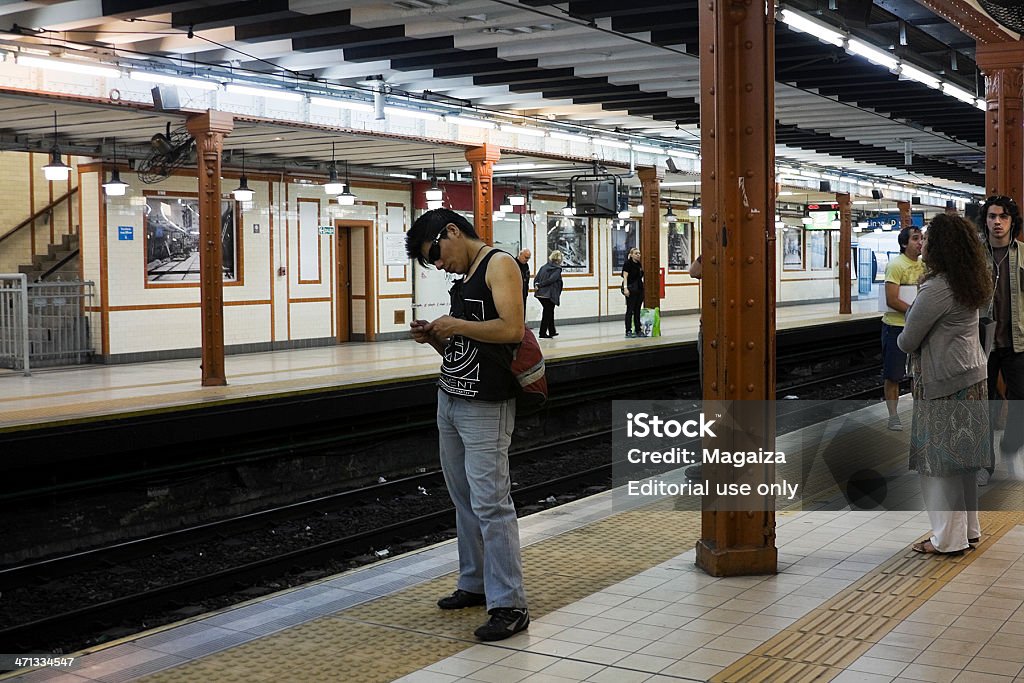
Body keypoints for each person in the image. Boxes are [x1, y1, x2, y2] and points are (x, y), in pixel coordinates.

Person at [404, 208, 529, 641]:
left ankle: (510, 603)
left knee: (492, 503)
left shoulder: (500, 264)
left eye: (436, 254)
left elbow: (512, 328)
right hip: (451, 396)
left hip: (486, 404)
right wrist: (437, 337)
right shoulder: (464, 277)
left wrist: (456, 323)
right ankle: (475, 583)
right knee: (463, 498)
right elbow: (464, 350)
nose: (439, 265)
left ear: (452, 232)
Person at [898, 214, 991, 555]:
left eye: (926, 240)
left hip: (944, 384)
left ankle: (947, 539)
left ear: (939, 247)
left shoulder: (937, 288)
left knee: (938, 465)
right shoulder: (970, 280)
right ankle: (969, 529)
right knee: (963, 461)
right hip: (972, 376)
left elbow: (908, 341)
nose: (921, 245)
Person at [979, 195, 1024, 486]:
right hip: (981, 345)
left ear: (1012, 222)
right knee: (983, 405)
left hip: (1018, 343)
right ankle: (984, 465)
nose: (997, 222)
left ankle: (1011, 447)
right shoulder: (974, 256)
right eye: (992, 216)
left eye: (1003, 217)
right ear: (985, 221)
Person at [882, 226, 925, 431]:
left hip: (918, 328)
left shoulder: (924, 265)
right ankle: (893, 417)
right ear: (904, 243)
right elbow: (891, 299)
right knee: (893, 374)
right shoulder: (896, 265)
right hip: (895, 327)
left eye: (922, 238)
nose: (920, 242)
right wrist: (914, 312)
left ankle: (919, 413)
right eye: (916, 239)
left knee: (919, 373)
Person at [533, 251, 563, 339]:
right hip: (549, 295)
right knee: (547, 313)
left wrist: (536, 285)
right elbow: (552, 280)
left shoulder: (544, 267)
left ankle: (552, 331)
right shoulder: (557, 269)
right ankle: (542, 333)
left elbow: (536, 278)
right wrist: (540, 285)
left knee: (550, 311)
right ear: (558, 260)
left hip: (540, 294)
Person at [621, 247, 645, 338]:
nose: (638, 255)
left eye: (639, 253)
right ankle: (628, 330)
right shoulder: (628, 264)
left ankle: (638, 329)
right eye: (636, 253)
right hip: (631, 289)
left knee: (637, 310)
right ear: (631, 255)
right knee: (630, 310)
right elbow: (625, 276)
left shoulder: (639, 264)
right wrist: (625, 288)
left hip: (639, 289)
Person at [516, 249, 531, 314]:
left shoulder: (526, 265)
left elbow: (526, 279)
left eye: (528, 258)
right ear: (520, 254)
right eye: (526, 257)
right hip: (515, 294)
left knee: (522, 312)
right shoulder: (513, 264)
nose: (527, 259)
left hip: (524, 293)